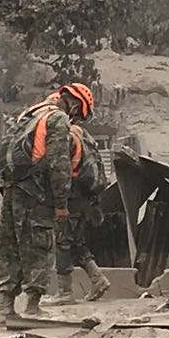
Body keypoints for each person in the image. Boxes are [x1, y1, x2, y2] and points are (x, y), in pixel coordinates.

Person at [0, 83, 92, 326]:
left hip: (12, 189)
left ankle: (4, 307)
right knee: (39, 245)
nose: (75, 119)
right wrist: (61, 203)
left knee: (10, 245)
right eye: (78, 115)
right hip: (36, 194)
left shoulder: (31, 113)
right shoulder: (57, 119)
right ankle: (32, 308)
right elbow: (59, 164)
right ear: (75, 105)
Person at [51, 97, 112, 305]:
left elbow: (62, 168)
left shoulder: (68, 135)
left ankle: (64, 292)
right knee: (75, 241)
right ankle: (97, 279)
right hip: (86, 198)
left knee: (62, 241)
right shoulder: (85, 135)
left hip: (72, 196)